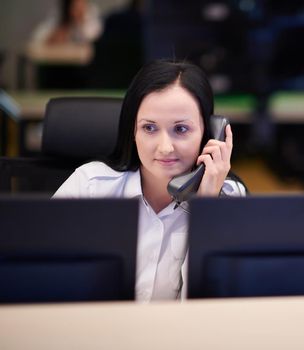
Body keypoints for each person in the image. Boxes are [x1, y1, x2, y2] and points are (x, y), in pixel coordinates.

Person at [53, 60, 246, 302]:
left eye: (181, 129)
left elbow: (211, 309)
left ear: (208, 134)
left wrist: (206, 207)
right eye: (150, 128)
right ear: (132, 130)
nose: (165, 148)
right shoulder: (90, 186)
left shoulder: (229, 197)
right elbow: (39, 277)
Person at [31, 0, 102, 46]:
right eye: (74, 6)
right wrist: (55, 35)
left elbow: (93, 38)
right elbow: (38, 38)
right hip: (57, 62)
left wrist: (81, 22)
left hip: (83, 65)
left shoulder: (91, 13)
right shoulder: (59, 14)